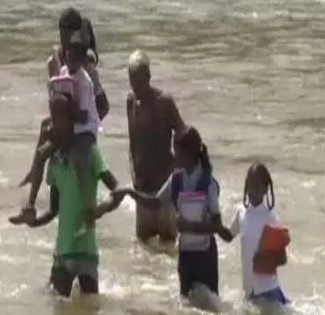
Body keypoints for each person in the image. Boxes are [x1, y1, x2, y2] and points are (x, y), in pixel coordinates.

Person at [10, 8, 108, 225]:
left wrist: (83, 131)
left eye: (68, 33)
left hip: (79, 131)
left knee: (70, 202)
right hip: (65, 126)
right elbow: (57, 101)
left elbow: (103, 107)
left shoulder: (85, 64)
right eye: (62, 33)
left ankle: (35, 193)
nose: (64, 39)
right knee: (45, 127)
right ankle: (31, 201)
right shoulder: (55, 62)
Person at [115, 126, 232, 300]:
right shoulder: (176, 179)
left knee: (211, 305)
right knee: (186, 305)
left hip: (206, 257)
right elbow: (154, 203)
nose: (173, 156)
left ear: (189, 153)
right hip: (185, 255)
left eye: (176, 151)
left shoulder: (208, 183)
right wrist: (130, 192)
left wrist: (189, 226)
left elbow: (217, 226)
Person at [27, 91, 123, 297]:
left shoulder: (90, 154)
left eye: (60, 118)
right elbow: (53, 210)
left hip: (87, 253)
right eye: (53, 118)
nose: (55, 124)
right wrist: (33, 222)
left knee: (90, 306)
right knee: (56, 304)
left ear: (72, 121)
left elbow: (117, 191)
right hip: (62, 253)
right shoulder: (54, 162)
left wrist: (99, 210)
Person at [126, 49, 187, 244]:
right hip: (142, 188)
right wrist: (133, 174)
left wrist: (174, 172)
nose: (136, 87)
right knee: (143, 246)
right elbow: (132, 142)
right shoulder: (131, 101)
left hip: (164, 187)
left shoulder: (164, 102)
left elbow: (184, 137)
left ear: (149, 77)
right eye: (132, 82)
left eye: (139, 82)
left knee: (168, 245)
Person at [224, 162, 289, 305]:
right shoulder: (241, 213)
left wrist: (263, 259)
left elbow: (283, 258)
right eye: (249, 185)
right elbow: (228, 236)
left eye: (256, 186)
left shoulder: (270, 218)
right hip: (249, 290)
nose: (252, 190)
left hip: (268, 290)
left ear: (265, 189)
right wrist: (212, 224)